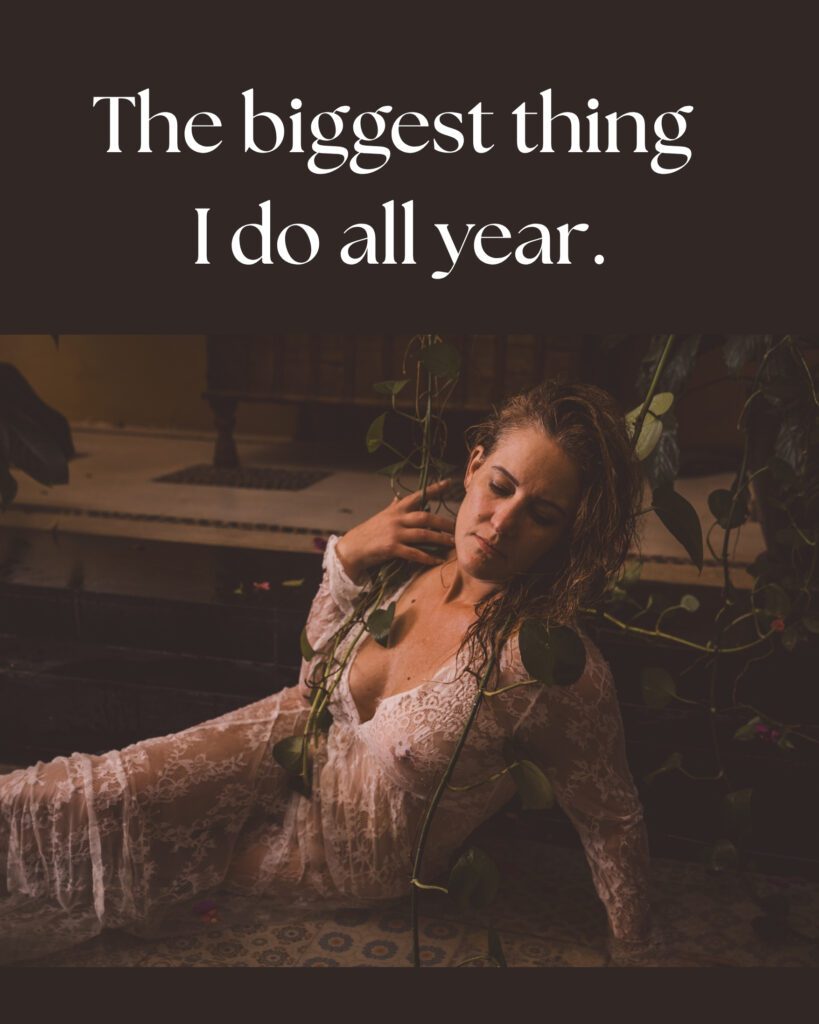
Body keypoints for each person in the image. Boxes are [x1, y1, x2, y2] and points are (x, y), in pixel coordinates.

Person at [0, 380, 661, 966]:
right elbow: (316, 684)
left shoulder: (542, 660)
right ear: (474, 465)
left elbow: (610, 815)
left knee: (164, 862)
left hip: (349, 850)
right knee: (108, 787)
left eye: (541, 515)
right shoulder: (407, 566)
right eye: (500, 487)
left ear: (565, 536)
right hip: (289, 747)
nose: (502, 521)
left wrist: (633, 952)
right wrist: (344, 562)